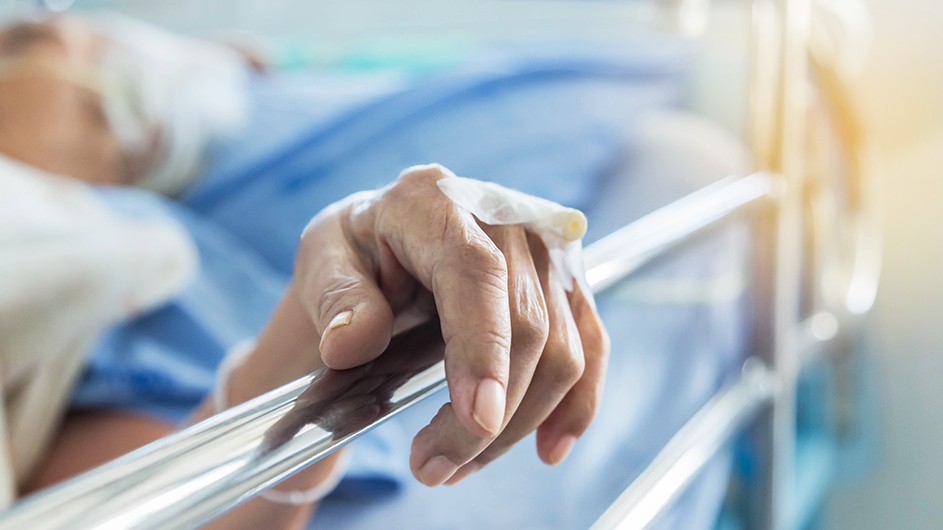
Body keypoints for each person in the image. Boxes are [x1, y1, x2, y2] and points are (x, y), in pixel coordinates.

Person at [0, 14, 609, 529]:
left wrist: (336, 299)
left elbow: (137, 508)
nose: (38, 42)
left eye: (105, 104)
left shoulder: (131, 247)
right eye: (26, 38)